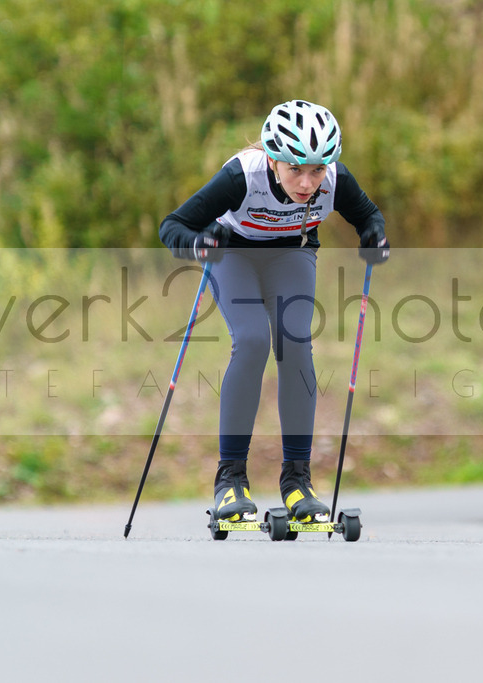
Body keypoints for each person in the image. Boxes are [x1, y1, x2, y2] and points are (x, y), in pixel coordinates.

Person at [159, 99, 389, 524]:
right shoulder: (240, 176)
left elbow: (368, 216)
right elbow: (172, 225)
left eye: (317, 170)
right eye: (295, 169)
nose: (307, 183)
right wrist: (199, 245)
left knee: (295, 342)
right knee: (251, 341)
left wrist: (374, 234)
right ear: (272, 157)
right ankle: (230, 480)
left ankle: (298, 482)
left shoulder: (335, 179)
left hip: (291, 255)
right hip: (234, 256)